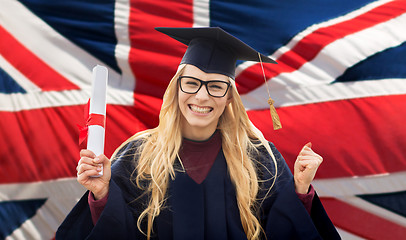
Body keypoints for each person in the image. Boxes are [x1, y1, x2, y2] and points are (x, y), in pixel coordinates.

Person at [56, 27, 340, 240]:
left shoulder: (260, 159)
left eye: (216, 86)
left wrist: (300, 190)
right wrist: (103, 194)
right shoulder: (138, 156)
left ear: (229, 97)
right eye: (191, 83)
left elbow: (282, 231)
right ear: (176, 88)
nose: (202, 97)